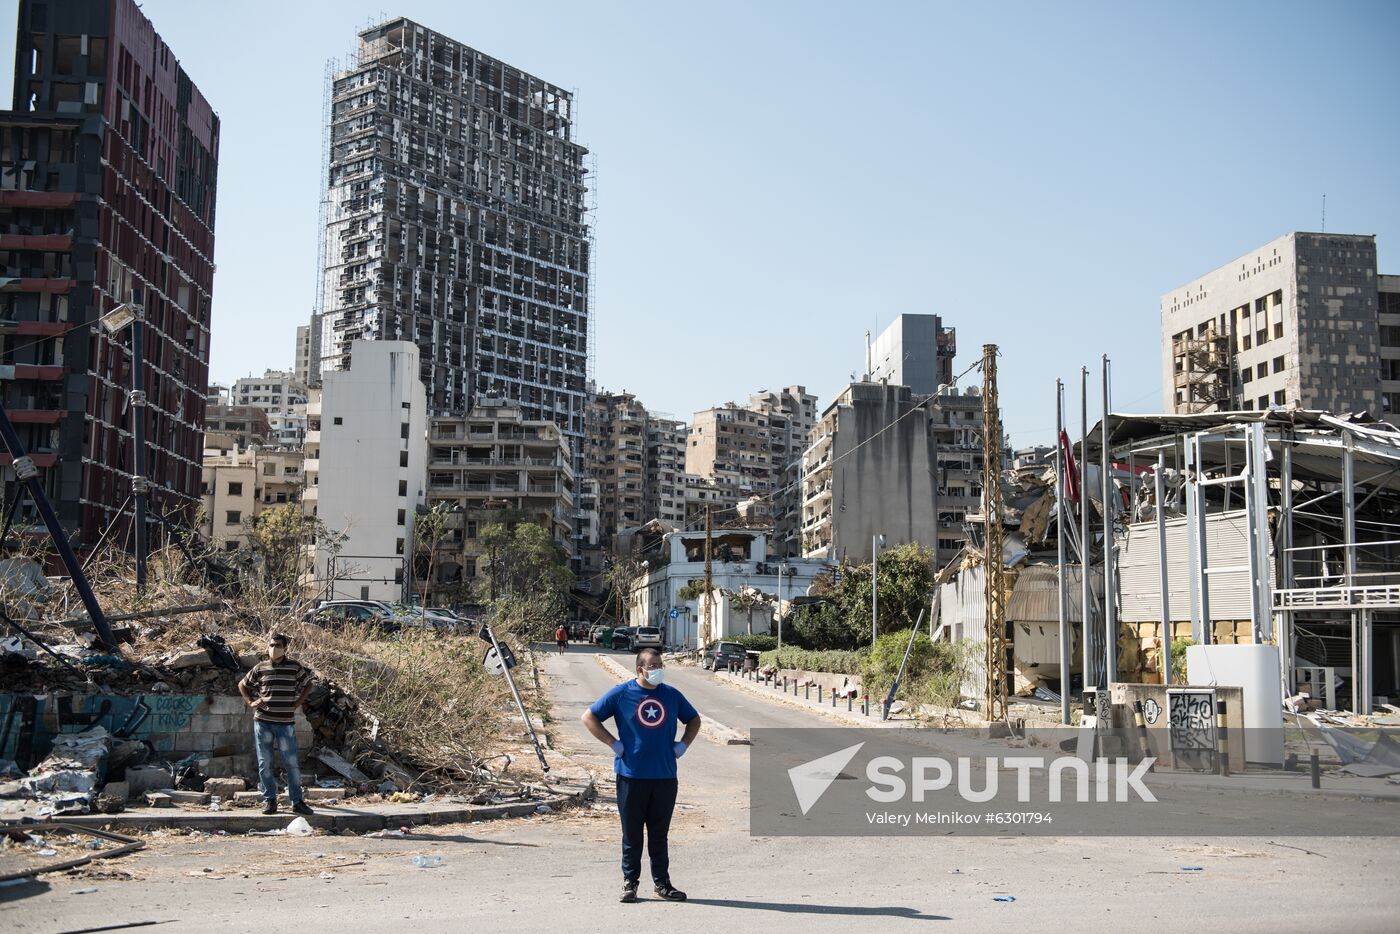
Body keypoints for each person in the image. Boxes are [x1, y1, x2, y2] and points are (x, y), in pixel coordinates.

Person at [582, 648, 701, 904]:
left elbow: (693, 720)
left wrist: (683, 745)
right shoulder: (623, 693)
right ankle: (630, 883)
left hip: (664, 777)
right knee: (632, 834)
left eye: (660, 664)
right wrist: (613, 743)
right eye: (653, 665)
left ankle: (662, 883)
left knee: (659, 834)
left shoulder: (671, 695)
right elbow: (589, 717)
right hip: (631, 776)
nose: (658, 669)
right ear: (640, 669)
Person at [238, 632, 315, 816]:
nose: (274, 649)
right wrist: (251, 701)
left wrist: (297, 703)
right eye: (271, 645)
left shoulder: (294, 668)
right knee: (265, 763)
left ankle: (297, 801)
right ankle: (270, 801)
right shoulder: (260, 667)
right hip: (263, 721)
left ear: (285, 648)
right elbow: (243, 684)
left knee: (291, 763)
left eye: (278, 645)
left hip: (285, 723)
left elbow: (308, 685)